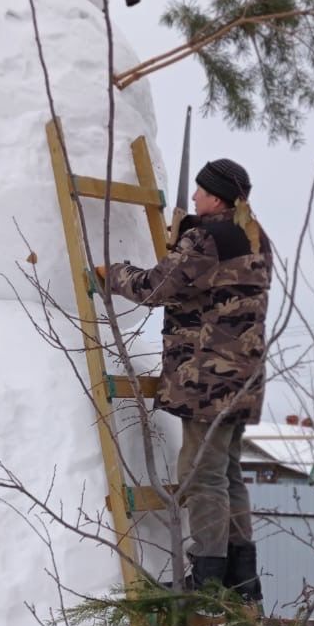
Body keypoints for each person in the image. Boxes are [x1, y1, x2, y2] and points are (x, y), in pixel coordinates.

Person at [96, 158, 271, 602]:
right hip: (242, 377)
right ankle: (242, 578)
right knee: (227, 473)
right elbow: (209, 287)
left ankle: (208, 578)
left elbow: (155, 288)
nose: (193, 198)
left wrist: (109, 275)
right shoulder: (254, 235)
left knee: (200, 475)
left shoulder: (208, 238)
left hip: (208, 378)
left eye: (199, 192)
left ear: (216, 197)